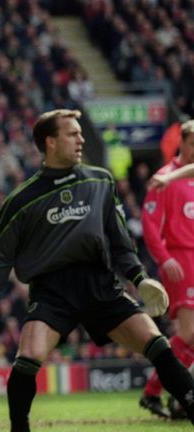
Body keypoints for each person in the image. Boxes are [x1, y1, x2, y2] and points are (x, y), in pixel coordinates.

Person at [0, 109, 194, 432]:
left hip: (100, 285)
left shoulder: (101, 180)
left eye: (80, 134)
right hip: (52, 291)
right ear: (50, 142)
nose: (81, 139)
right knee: (28, 356)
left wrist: (139, 278)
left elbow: (118, 238)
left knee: (157, 343)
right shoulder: (22, 199)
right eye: (73, 134)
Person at [139, 119, 194, 419]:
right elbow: (149, 223)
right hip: (181, 260)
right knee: (190, 333)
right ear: (182, 143)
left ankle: (167, 394)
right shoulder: (164, 177)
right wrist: (164, 257)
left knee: (191, 339)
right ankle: (160, 392)